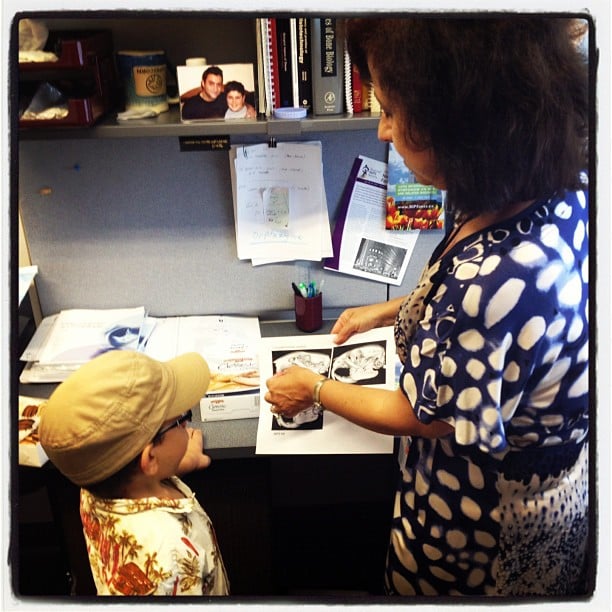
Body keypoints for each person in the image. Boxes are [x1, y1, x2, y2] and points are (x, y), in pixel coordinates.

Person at [265, 16, 589, 597]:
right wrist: (388, 310)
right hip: (545, 494)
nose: (382, 132)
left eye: (390, 110)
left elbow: (430, 415)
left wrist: (313, 388)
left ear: (462, 122)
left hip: (479, 535)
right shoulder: (542, 186)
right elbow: (482, 314)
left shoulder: (495, 280)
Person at [39, 349, 230, 596]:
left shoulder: (97, 479)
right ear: (150, 458)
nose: (187, 425)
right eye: (181, 419)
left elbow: (134, 473)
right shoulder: (169, 561)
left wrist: (181, 461)